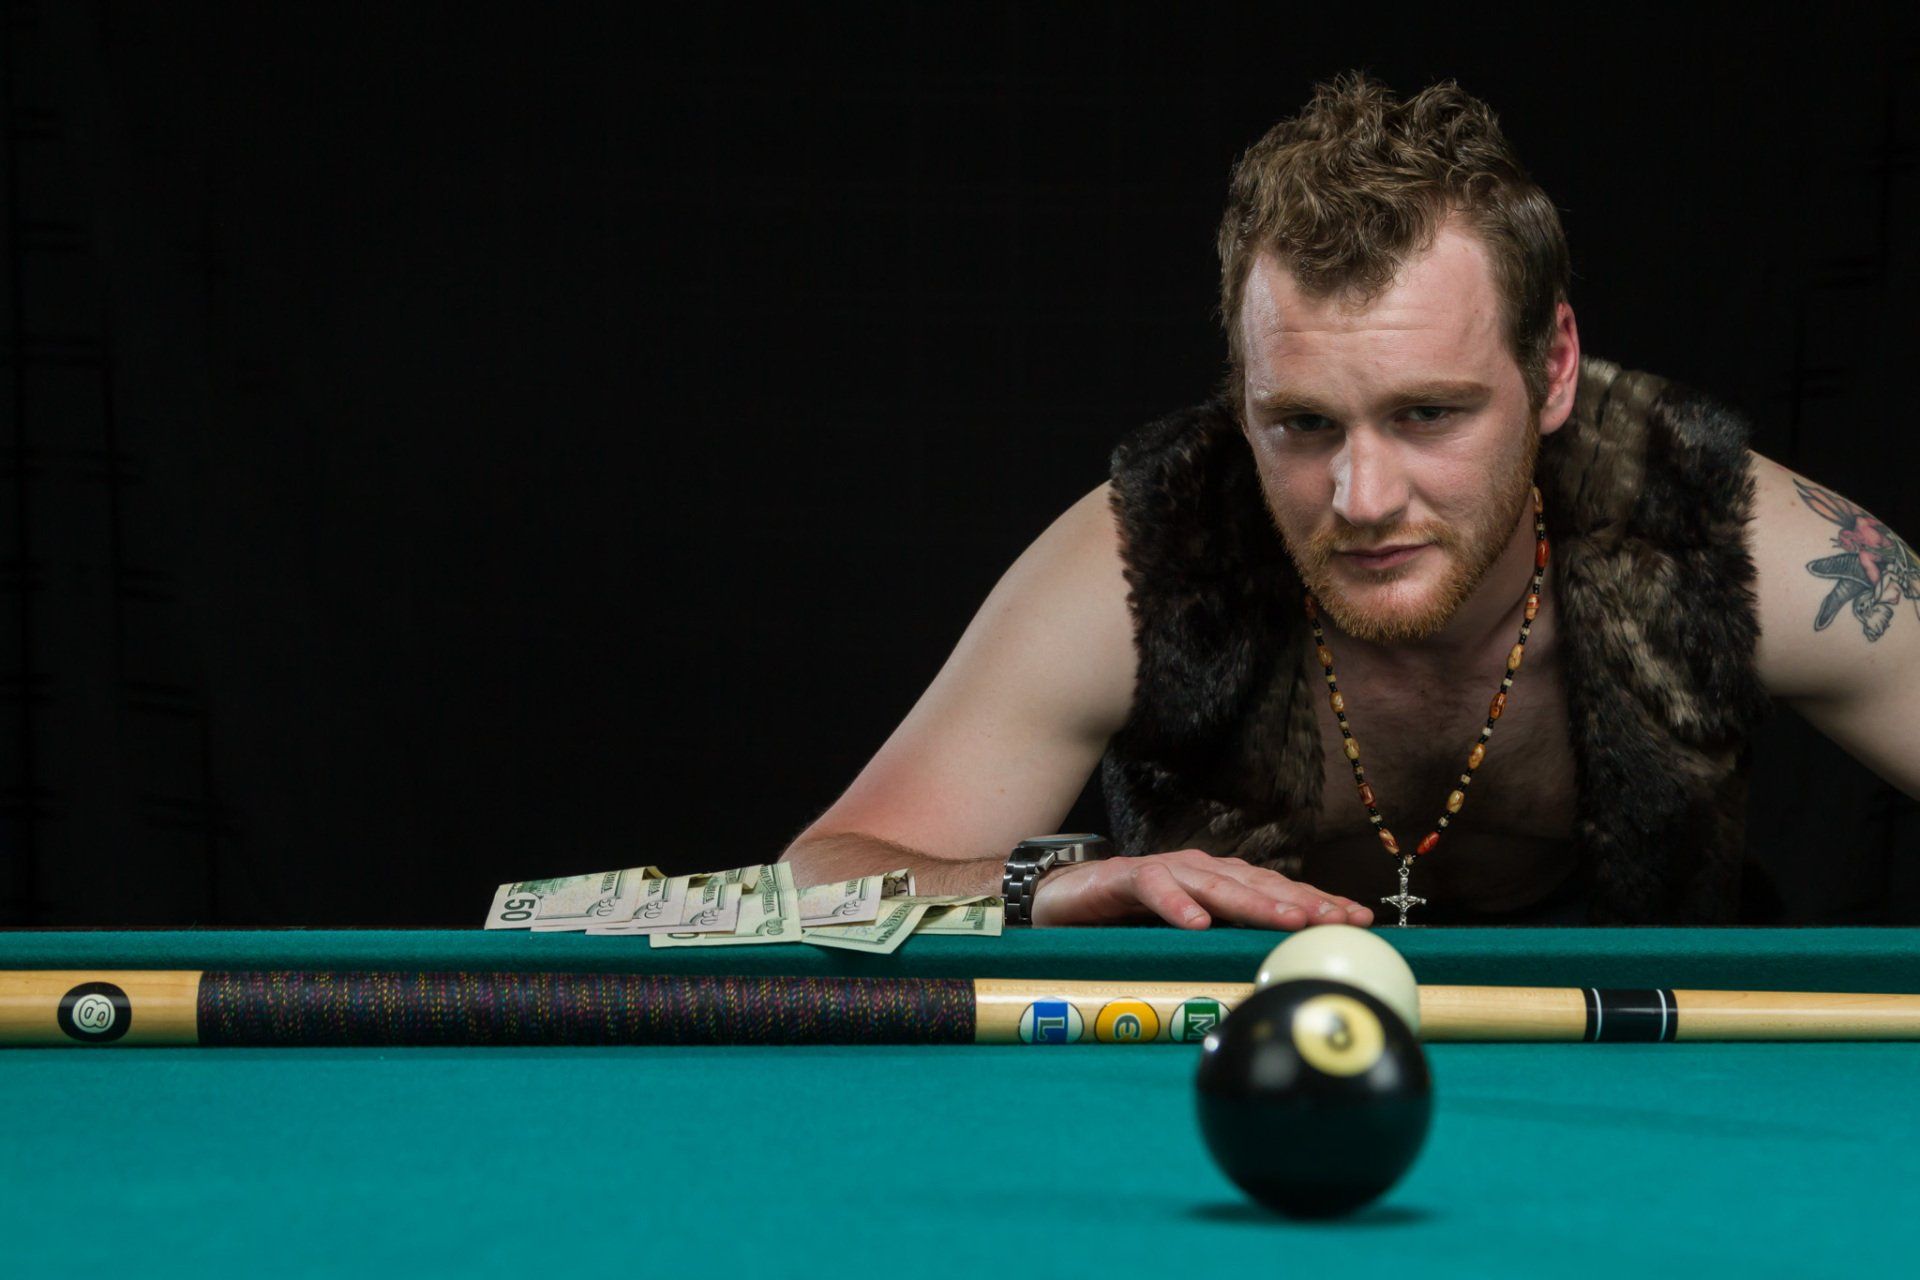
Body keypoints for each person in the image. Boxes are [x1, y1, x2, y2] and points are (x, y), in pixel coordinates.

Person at [778, 73, 1920, 929]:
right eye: (1304, 424)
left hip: (1667, 1101)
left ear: (1556, 365)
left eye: (1430, 413)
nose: (1362, 497)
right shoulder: (1141, 555)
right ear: (1242, 396)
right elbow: (820, 872)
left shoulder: (1720, 533)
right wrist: (1060, 882)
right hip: (1224, 1095)